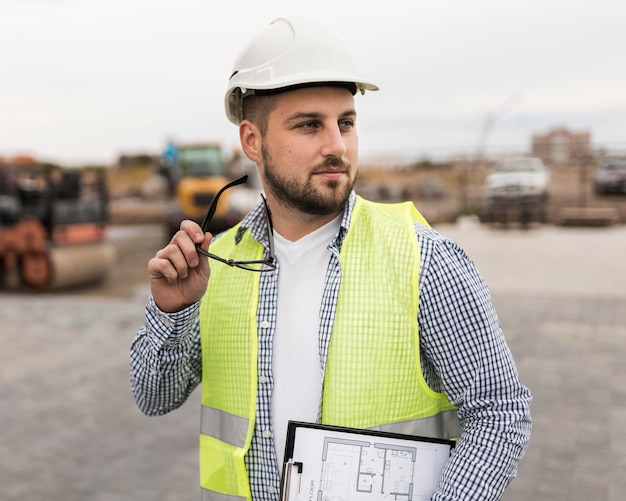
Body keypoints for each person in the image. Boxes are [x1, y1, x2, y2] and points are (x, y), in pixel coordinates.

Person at [130, 15, 532, 501]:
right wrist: (173, 312)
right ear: (253, 142)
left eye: (346, 123)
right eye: (309, 126)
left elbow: (498, 408)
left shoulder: (424, 259)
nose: (337, 146)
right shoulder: (214, 266)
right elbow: (153, 397)